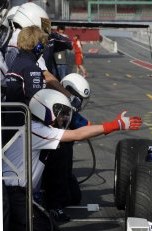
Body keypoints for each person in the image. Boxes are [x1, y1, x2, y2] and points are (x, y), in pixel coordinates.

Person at [2, 88, 142, 231]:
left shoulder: (34, 128)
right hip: (13, 192)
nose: (63, 118)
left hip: (16, 192)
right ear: (44, 109)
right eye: (59, 112)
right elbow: (77, 134)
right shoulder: (37, 130)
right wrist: (115, 125)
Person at [4, 2, 81, 110]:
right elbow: (46, 76)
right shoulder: (29, 45)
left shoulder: (14, 38)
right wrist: (70, 97)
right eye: (43, 23)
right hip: (24, 105)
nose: (44, 28)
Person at [41, 73, 90, 221]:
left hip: (64, 169)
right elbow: (85, 126)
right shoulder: (54, 105)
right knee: (59, 155)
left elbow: (86, 125)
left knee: (74, 197)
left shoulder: (70, 112)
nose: (79, 103)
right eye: (77, 98)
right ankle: (54, 206)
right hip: (50, 160)